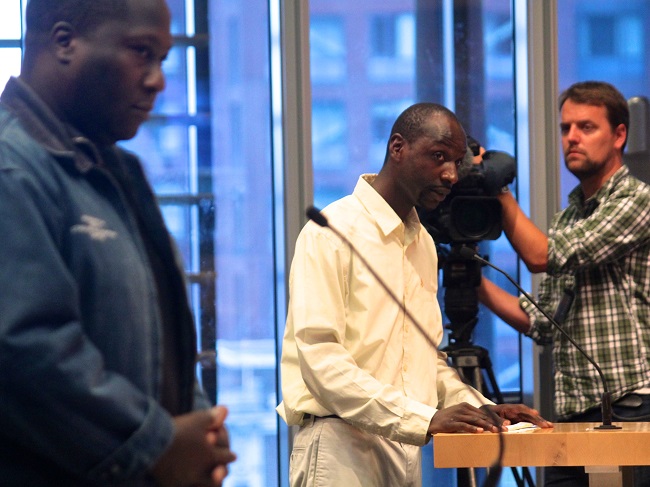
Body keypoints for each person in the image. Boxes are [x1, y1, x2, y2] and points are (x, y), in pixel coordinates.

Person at [0, 0, 236, 485]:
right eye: (141, 52)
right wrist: (159, 445)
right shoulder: (13, 166)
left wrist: (199, 434)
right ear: (65, 42)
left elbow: (164, 332)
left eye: (163, 59)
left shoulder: (121, 170)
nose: (157, 80)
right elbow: (25, 350)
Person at [277, 102, 552, 487]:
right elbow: (321, 362)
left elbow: (425, 360)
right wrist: (423, 419)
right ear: (397, 148)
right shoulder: (332, 231)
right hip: (340, 448)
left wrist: (485, 410)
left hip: (405, 448)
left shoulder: (422, 242)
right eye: (438, 157)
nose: (450, 175)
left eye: (457, 162)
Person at [478, 81, 650, 486]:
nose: (571, 138)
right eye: (565, 128)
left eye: (586, 127)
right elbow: (542, 323)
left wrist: (497, 188)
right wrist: (471, 281)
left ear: (619, 135)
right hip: (571, 410)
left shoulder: (638, 201)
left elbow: (541, 257)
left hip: (629, 406)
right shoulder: (567, 219)